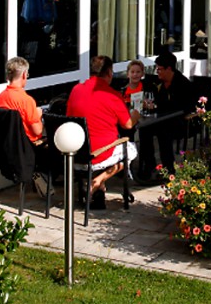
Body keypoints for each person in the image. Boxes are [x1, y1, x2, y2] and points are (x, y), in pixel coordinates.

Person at [66, 56, 140, 207]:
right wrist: (136, 115)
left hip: (76, 154)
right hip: (99, 156)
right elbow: (127, 125)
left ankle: (99, 189)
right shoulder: (112, 94)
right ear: (109, 73)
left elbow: (69, 116)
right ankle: (98, 181)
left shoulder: (76, 90)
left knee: (107, 145)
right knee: (130, 150)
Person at [136, 51, 194, 184]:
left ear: (169, 69)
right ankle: (149, 165)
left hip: (180, 122)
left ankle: (169, 169)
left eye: (160, 69)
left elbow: (186, 108)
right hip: (160, 119)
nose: (158, 72)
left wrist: (159, 106)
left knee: (164, 133)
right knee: (144, 130)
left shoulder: (183, 84)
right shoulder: (158, 82)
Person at [0, 56, 43, 145]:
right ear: (24, 74)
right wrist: (38, 115)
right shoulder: (27, 101)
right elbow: (37, 131)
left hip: (6, 146)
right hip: (26, 147)